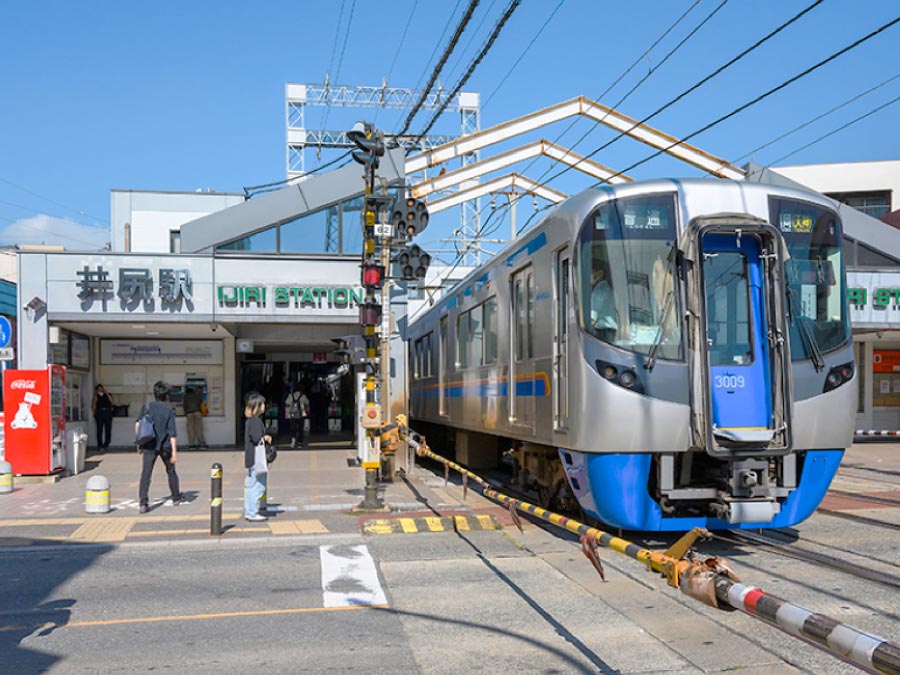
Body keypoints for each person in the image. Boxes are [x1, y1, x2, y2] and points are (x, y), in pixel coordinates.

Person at [136, 381, 184, 514]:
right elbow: (172, 433)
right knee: (171, 471)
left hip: (149, 445)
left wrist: (139, 444)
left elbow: (138, 425)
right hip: (165, 446)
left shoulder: (146, 407)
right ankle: (176, 497)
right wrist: (174, 452)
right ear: (167, 396)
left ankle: (143, 503)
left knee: (146, 473)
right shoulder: (169, 411)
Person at [244, 392, 271, 522]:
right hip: (257, 458)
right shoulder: (256, 421)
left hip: (251, 458)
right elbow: (256, 439)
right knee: (258, 485)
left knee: (251, 485)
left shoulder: (249, 421)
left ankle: (249, 511)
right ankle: (253, 512)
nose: (264, 406)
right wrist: (265, 438)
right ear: (257, 406)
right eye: (262, 404)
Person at [590, 265, 618, 334]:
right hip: (613, 331)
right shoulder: (610, 290)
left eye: (592, 272)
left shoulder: (598, 291)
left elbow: (592, 320)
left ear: (599, 274)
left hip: (602, 332)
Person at [92, 384, 114, 451]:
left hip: (107, 412)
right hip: (100, 412)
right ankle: (100, 445)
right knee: (99, 430)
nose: (100, 390)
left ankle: (106, 444)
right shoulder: (96, 396)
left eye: (101, 388)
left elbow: (111, 401)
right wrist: (95, 412)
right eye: (99, 389)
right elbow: (94, 405)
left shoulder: (107, 395)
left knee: (108, 429)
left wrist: (106, 393)